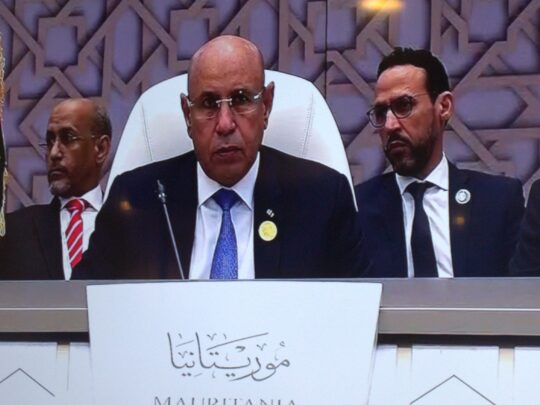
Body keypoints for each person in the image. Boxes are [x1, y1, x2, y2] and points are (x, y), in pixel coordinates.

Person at [74, 35, 368, 279]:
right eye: (208, 103)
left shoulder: (322, 198)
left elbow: (357, 312)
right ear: (187, 115)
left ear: (266, 106)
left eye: (241, 100)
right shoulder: (135, 200)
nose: (225, 124)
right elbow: (81, 308)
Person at [356, 48, 524, 278]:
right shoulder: (357, 209)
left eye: (404, 106)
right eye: (380, 112)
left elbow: (522, 294)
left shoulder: (497, 201)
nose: (389, 125)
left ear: (443, 106)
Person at [0, 98, 112, 280]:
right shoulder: (13, 232)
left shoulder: (130, 230)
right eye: (50, 141)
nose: (54, 153)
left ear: (101, 149)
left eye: (68, 138)